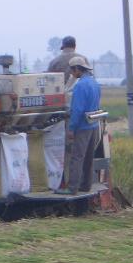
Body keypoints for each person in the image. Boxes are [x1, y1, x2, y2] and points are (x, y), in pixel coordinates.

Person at [55, 57, 100, 195]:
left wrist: (71, 128)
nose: (72, 73)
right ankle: (86, 185)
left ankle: (72, 187)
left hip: (82, 126)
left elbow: (77, 110)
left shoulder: (80, 86)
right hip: (93, 125)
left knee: (76, 157)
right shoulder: (94, 83)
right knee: (88, 157)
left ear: (77, 69)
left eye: (72, 70)